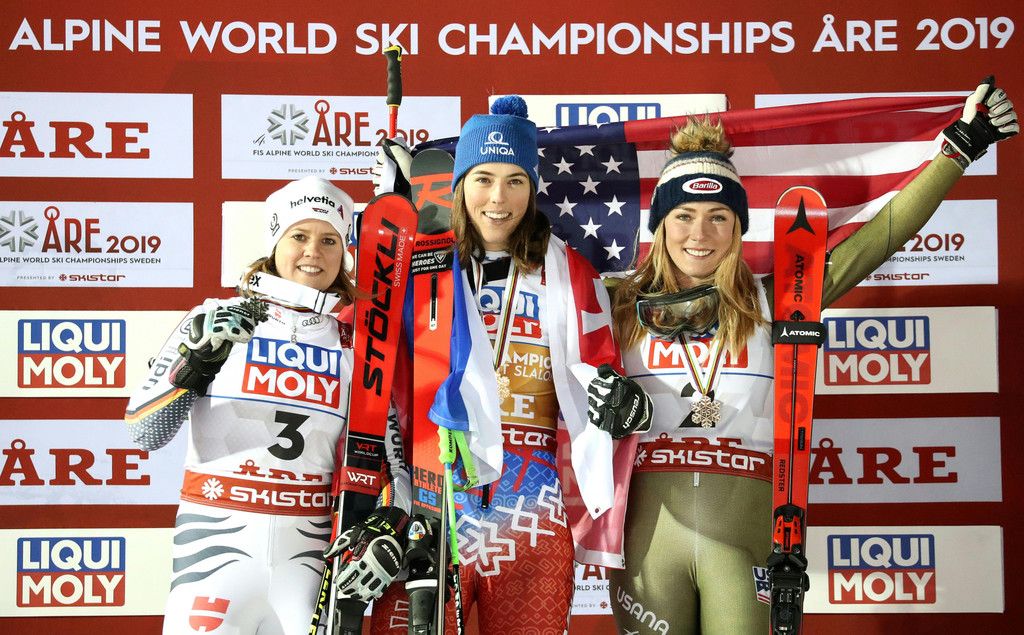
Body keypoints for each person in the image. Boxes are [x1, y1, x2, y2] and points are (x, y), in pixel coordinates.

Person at [606, 78, 1018, 634]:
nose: (699, 233)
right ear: (659, 224)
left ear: (738, 226)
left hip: (746, 538)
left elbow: (881, 238)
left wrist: (959, 149)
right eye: (683, 215)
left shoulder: (781, 297)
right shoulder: (613, 304)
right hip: (647, 542)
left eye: (718, 216)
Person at [369, 97, 651, 634]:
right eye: (483, 179)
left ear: (533, 187)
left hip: (533, 502)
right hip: (433, 490)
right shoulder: (422, 265)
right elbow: (369, 343)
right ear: (458, 185)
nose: (499, 198)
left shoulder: (570, 270)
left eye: (515, 181)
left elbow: (601, 373)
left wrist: (620, 403)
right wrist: (389, 218)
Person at [125, 176, 411, 635]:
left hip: (310, 561)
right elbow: (145, 432)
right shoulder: (214, 319)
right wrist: (197, 361)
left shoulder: (357, 347)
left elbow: (394, 465)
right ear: (275, 241)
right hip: (213, 552)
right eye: (299, 236)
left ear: (344, 252)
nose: (313, 252)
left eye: (329, 240)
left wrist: (389, 521)